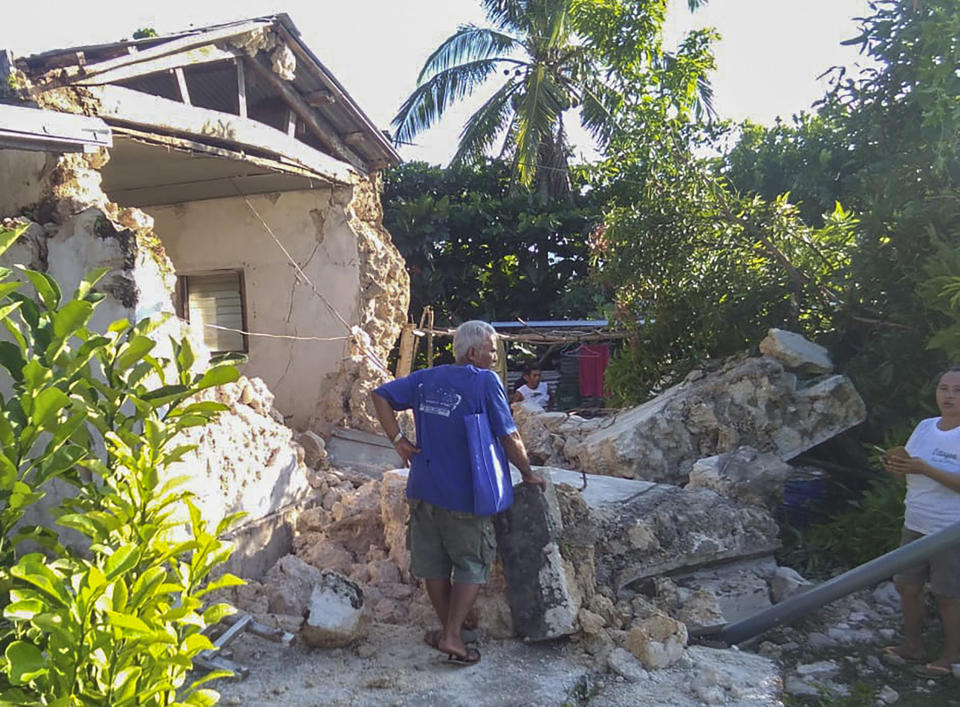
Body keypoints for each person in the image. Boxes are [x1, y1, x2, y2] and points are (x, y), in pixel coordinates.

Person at [371, 320, 546, 666]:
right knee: (471, 563)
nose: (495, 356)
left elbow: (379, 395)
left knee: (433, 564)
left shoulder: (426, 378)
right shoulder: (485, 382)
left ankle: (448, 631)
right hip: (466, 493)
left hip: (423, 488)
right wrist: (527, 473)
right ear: (472, 352)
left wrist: (398, 441)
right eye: (491, 349)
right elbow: (509, 435)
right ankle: (452, 636)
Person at [881, 365, 960, 678]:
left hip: (950, 529)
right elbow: (908, 468)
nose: (949, 396)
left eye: (957, 390)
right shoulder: (926, 427)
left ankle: (951, 656)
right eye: (944, 389)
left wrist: (926, 469)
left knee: (948, 595)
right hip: (915, 521)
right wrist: (895, 465)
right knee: (907, 585)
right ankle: (913, 646)